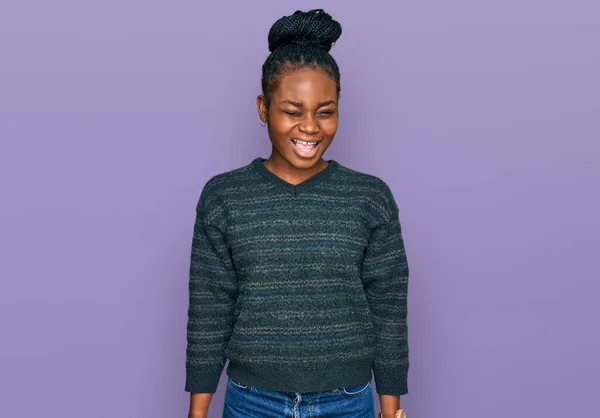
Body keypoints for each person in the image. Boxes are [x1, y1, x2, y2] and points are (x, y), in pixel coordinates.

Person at [185, 9, 409, 418]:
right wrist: (197, 411)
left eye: (325, 111)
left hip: (347, 401)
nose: (310, 127)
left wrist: (390, 409)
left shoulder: (370, 198)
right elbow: (210, 308)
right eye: (292, 110)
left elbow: (388, 308)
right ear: (262, 108)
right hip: (252, 401)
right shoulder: (224, 197)